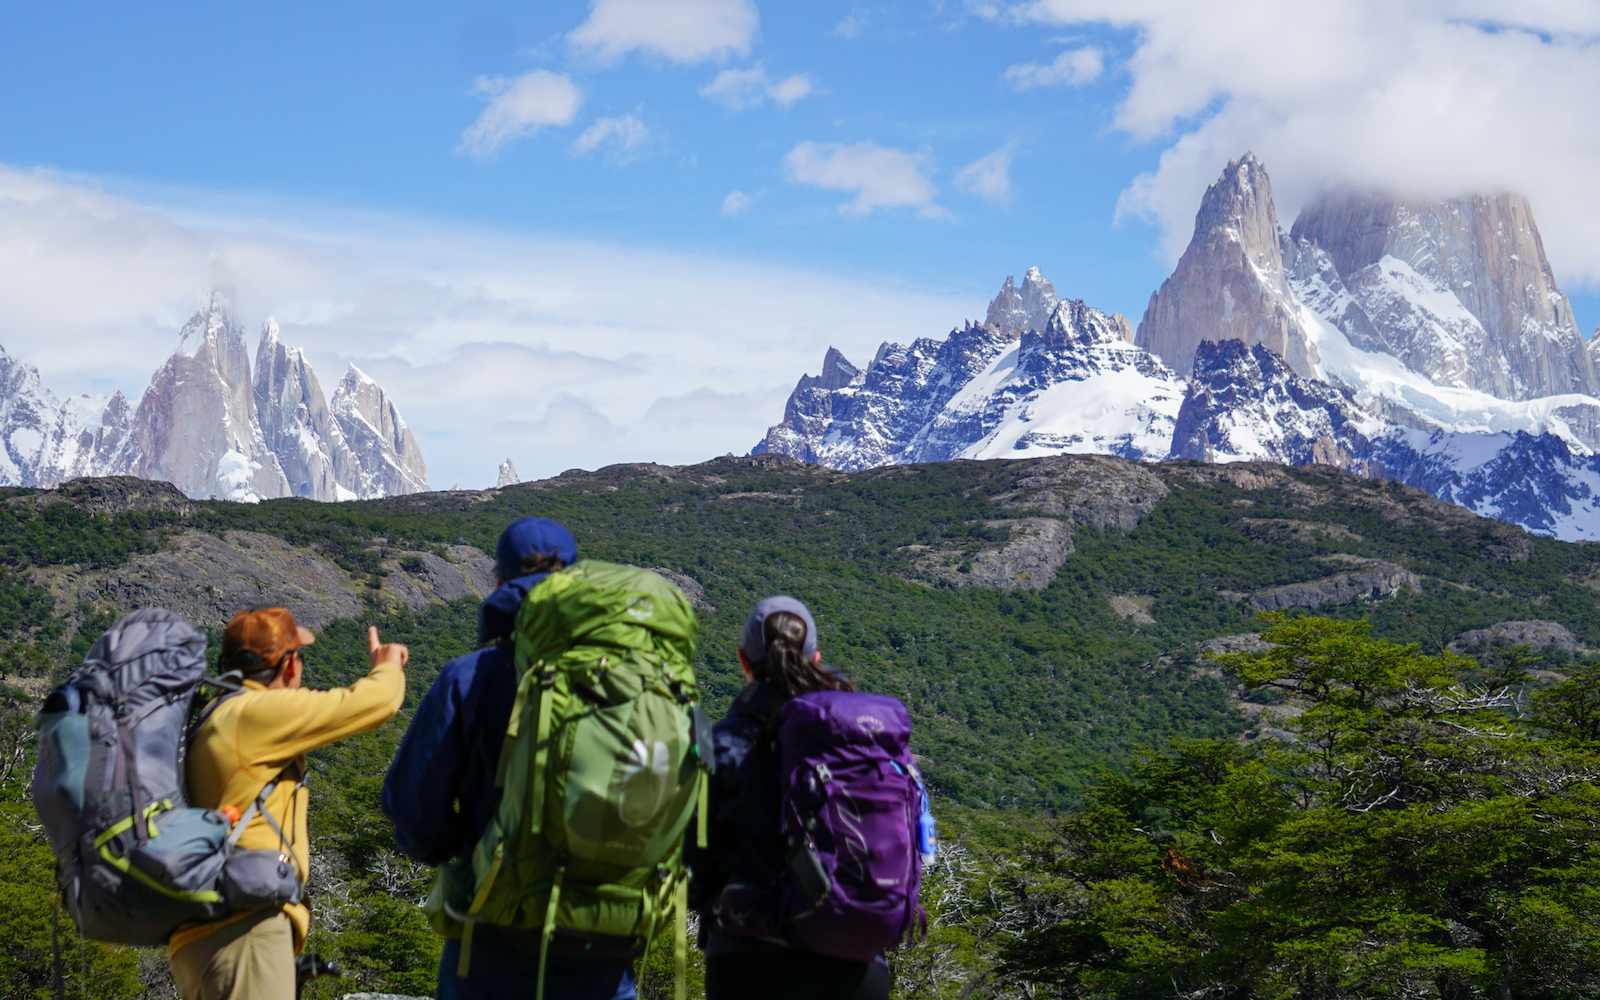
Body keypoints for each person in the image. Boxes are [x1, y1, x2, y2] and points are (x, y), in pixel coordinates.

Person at [383, 517, 637, 1000]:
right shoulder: (630, 678)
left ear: (498, 583)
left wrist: (463, 853)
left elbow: (412, 805)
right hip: (604, 936)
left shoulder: (468, 677)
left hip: (493, 932)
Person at [169, 607, 409, 1000]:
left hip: (208, 936)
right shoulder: (255, 713)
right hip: (244, 934)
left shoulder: (215, 714)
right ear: (289, 664)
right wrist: (387, 665)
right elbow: (377, 703)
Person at [685, 596, 894, 1000]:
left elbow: (697, 867)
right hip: (857, 964)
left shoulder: (724, 744)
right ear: (816, 658)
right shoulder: (859, 743)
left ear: (744, 661)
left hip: (749, 959)